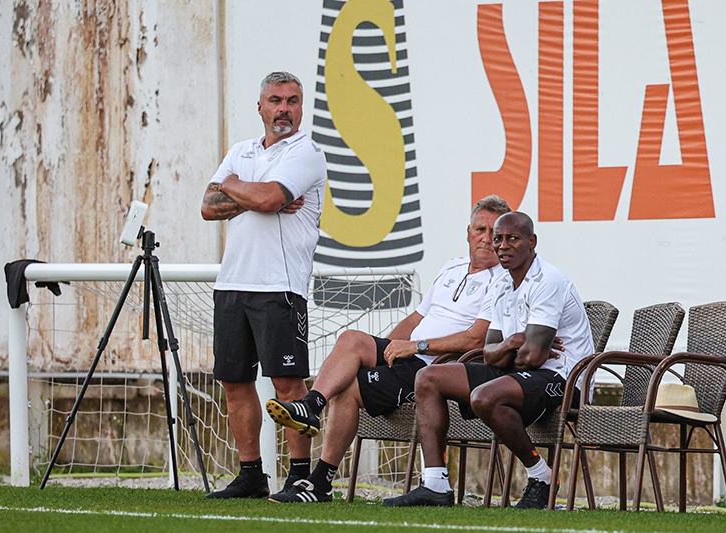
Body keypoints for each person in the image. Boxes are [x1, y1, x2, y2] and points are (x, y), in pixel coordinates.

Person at [265, 195, 512, 503]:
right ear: (468, 232)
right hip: (411, 356)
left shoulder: (501, 281)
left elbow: (476, 340)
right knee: (352, 339)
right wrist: (389, 351)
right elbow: (416, 318)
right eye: (480, 230)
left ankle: (321, 482)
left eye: (494, 233)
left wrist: (415, 346)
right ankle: (312, 405)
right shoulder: (453, 267)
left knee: (348, 388)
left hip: (435, 368)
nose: (486, 239)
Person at [383, 211, 594, 509]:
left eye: (513, 238)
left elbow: (533, 358)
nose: (503, 245)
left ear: (532, 242)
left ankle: (541, 475)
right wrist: (514, 342)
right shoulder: (501, 284)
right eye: (498, 239)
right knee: (428, 378)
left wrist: (513, 351)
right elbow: (492, 352)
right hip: (520, 374)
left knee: (484, 396)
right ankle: (435, 484)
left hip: (564, 377)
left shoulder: (548, 280)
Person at [200, 71, 327, 499]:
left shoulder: (307, 152)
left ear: (301, 107)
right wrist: (252, 193)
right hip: (232, 283)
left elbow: (270, 199)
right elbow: (208, 206)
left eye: (292, 101)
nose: (284, 109)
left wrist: (233, 186)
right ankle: (251, 475)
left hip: (280, 286)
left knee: (287, 384)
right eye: (275, 100)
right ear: (260, 107)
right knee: (234, 383)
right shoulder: (241, 150)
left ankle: (301, 475)